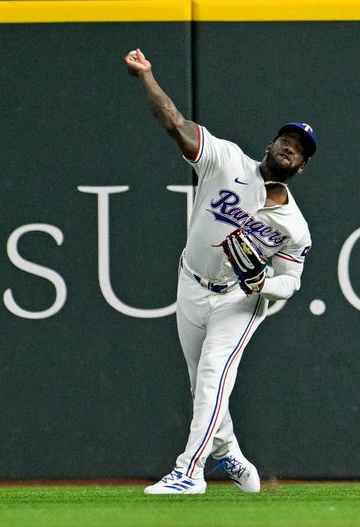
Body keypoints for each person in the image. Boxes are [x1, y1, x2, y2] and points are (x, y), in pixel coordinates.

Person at [125, 48, 316, 495]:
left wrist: (264, 284)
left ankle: (189, 472)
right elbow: (174, 123)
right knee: (202, 387)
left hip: (240, 297)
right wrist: (147, 77)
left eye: (300, 150)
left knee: (214, 373)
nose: (291, 147)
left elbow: (291, 281)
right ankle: (227, 450)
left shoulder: (294, 227)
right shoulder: (226, 160)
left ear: (302, 168)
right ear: (270, 145)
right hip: (190, 282)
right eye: (287, 140)